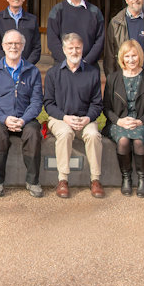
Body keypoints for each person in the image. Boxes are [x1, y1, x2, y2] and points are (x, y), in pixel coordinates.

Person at [0, 30, 44, 198]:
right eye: (9, 43)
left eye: (17, 43)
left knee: (33, 134)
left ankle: (32, 181)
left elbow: (37, 101)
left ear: (23, 46)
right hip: (0, 118)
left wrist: (24, 120)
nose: (13, 46)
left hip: (26, 118)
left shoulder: (33, 71)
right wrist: (4, 118)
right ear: (3, 46)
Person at [44, 33, 104, 199]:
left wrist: (87, 118)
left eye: (78, 47)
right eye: (70, 48)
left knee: (93, 135)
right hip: (60, 119)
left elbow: (97, 104)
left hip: (85, 118)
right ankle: (63, 179)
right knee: (65, 133)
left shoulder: (92, 73)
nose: (74, 51)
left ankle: (95, 180)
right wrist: (65, 118)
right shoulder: (53, 73)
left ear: (83, 48)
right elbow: (48, 104)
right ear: (64, 50)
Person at [103, 40, 144, 198]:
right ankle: (126, 177)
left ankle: (142, 179)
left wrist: (140, 121)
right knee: (124, 141)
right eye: (127, 56)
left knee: (139, 141)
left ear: (140, 56)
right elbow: (106, 107)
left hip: (142, 122)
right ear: (122, 58)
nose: (131, 59)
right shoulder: (113, 78)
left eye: (134, 55)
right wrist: (119, 121)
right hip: (119, 122)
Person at [46, 0, 105, 66]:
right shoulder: (57, 11)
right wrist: (67, 63)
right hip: (63, 67)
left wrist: (86, 62)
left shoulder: (94, 11)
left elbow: (100, 40)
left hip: (89, 67)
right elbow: (52, 40)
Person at [0, 0, 41, 64]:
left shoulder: (32, 20)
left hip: (26, 69)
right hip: (4, 68)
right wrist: (8, 63)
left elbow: (36, 47)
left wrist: (26, 65)